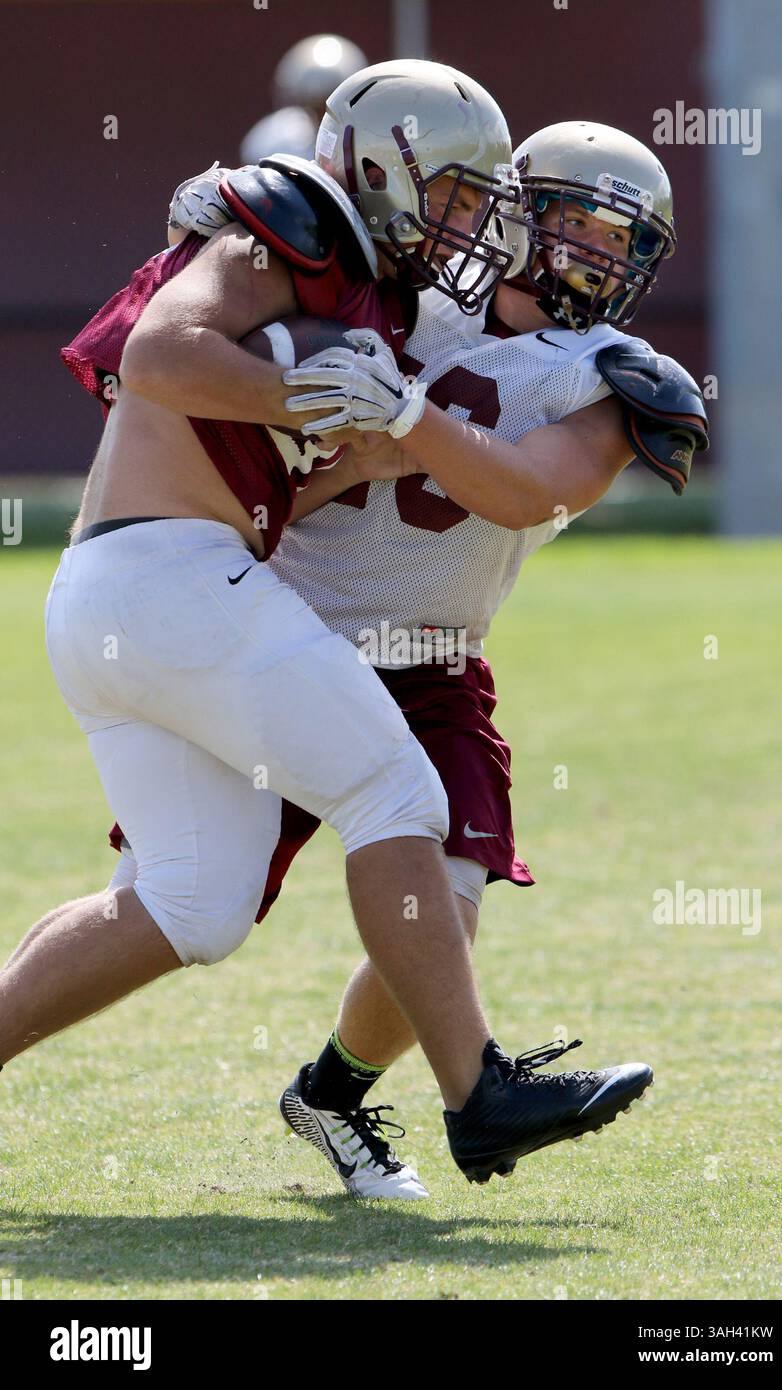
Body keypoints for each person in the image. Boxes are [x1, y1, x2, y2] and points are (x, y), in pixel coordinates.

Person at [1, 69, 652, 1191]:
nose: (464, 227)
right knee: (399, 795)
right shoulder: (295, 216)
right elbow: (157, 356)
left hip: (138, 594)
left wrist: (363, 412)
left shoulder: (378, 292)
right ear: (387, 163)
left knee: (190, 903)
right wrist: (314, 394)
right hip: (174, 575)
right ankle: (477, 1094)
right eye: (452, 195)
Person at [168, 121, 705, 1198]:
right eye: (578, 226)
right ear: (509, 208)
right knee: (175, 908)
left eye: (620, 243)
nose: (596, 259)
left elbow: (523, 491)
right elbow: (260, 433)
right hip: (284, 633)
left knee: (449, 901)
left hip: (430, 660)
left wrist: (405, 419)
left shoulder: (608, 373)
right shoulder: (407, 297)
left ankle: (335, 1093)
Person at [240, 34, 367, 164]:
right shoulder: (275, 140)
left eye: (330, 104)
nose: (323, 114)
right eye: (315, 104)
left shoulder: (369, 137)